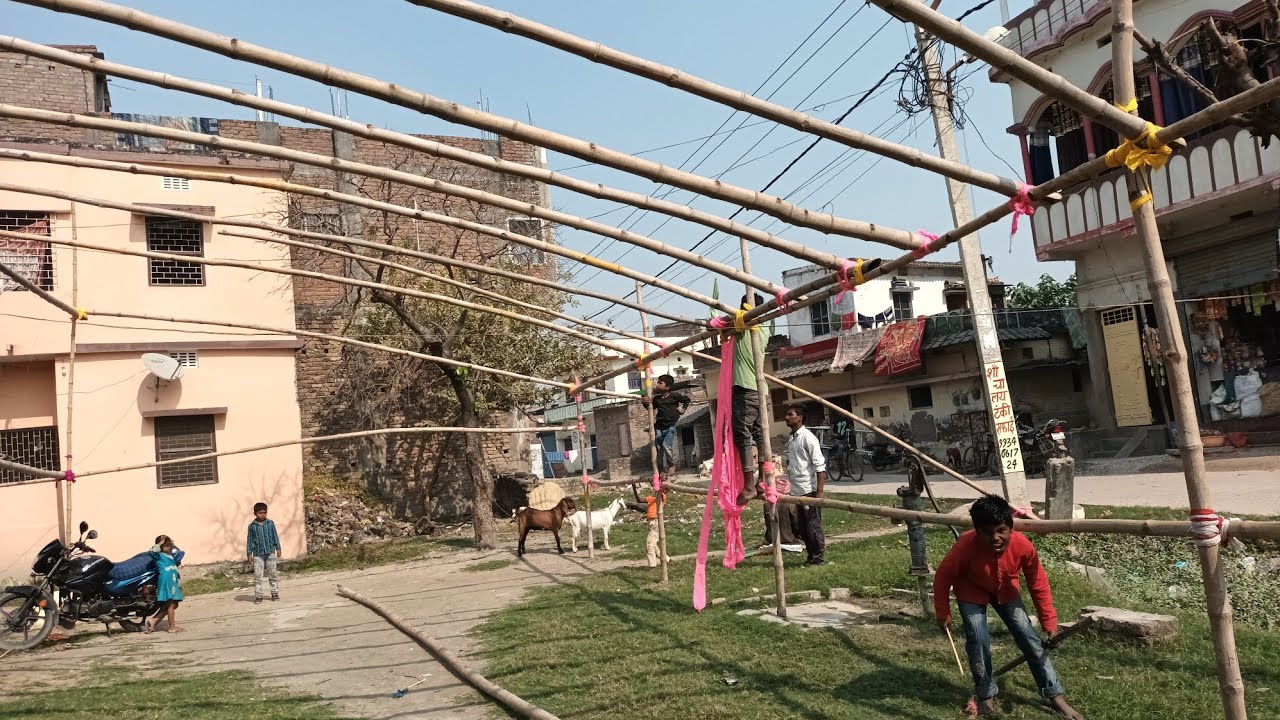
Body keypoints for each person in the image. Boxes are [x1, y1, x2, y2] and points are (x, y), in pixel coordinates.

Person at [933, 495, 1084, 720]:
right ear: (977, 531)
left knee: (1027, 635)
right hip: (970, 590)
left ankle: (1055, 695)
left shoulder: (1023, 546)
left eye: (1001, 530)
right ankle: (985, 693)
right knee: (977, 638)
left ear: (1011, 527)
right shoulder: (965, 545)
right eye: (987, 532)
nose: (995, 538)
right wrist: (943, 612)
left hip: (1006, 590)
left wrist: (1049, 623)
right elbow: (943, 577)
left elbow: (1038, 584)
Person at [724, 293, 766, 506]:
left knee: (742, 436)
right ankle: (762, 481)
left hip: (745, 388)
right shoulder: (766, 326)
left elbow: (719, 324)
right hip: (760, 389)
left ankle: (750, 485)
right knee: (760, 435)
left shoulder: (742, 323)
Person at [783, 405, 827, 566]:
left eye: (790, 414)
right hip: (797, 491)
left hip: (809, 490)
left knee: (812, 525)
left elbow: (820, 466)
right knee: (801, 526)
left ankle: (818, 557)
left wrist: (819, 493)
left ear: (799, 417)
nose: (787, 417)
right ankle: (811, 556)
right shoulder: (792, 438)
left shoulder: (808, 438)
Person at [641, 374, 690, 482]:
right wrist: (644, 402)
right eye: (657, 382)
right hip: (659, 427)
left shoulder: (674, 396)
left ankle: (671, 464)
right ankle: (661, 470)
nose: (657, 384)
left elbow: (686, 399)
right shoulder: (657, 399)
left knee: (666, 447)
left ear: (667, 387)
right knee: (658, 450)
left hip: (670, 426)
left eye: (660, 383)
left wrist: (683, 409)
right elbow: (650, 407)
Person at [246, 502, 283, 604]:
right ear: (255, 514)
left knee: (273, 573)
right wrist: (249, 553)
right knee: (258, 575)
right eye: (260, 513)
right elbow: (249, 540)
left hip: (270, 552)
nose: (262, 515)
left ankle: (274, 593)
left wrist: (278, 548)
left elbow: (275, 535)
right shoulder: (252, 526)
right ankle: (258, 596)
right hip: (258, 554)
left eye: (264, 513)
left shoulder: (270, 523)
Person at [145, 537, 183, 633]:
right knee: (171, 604)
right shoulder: (158, 556)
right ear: (160, 546)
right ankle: (171, 627)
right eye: (166, 545)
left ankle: (153, 621)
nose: (169, 547)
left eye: (169, 545)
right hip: (167, 582)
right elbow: (152, 552)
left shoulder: (169, 556)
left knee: (174, 605)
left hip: (172, 581)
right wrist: (160, 543)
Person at [643, 490, 667, 568]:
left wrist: (656, 484)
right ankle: (667, 559)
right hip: (650, 522)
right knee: (653, 545)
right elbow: (638, 500)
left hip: (656, 522)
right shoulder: (650, 498)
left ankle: (652, 565)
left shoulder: (662, 497)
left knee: (649, 544)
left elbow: (659, 493)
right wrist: (634, 487)